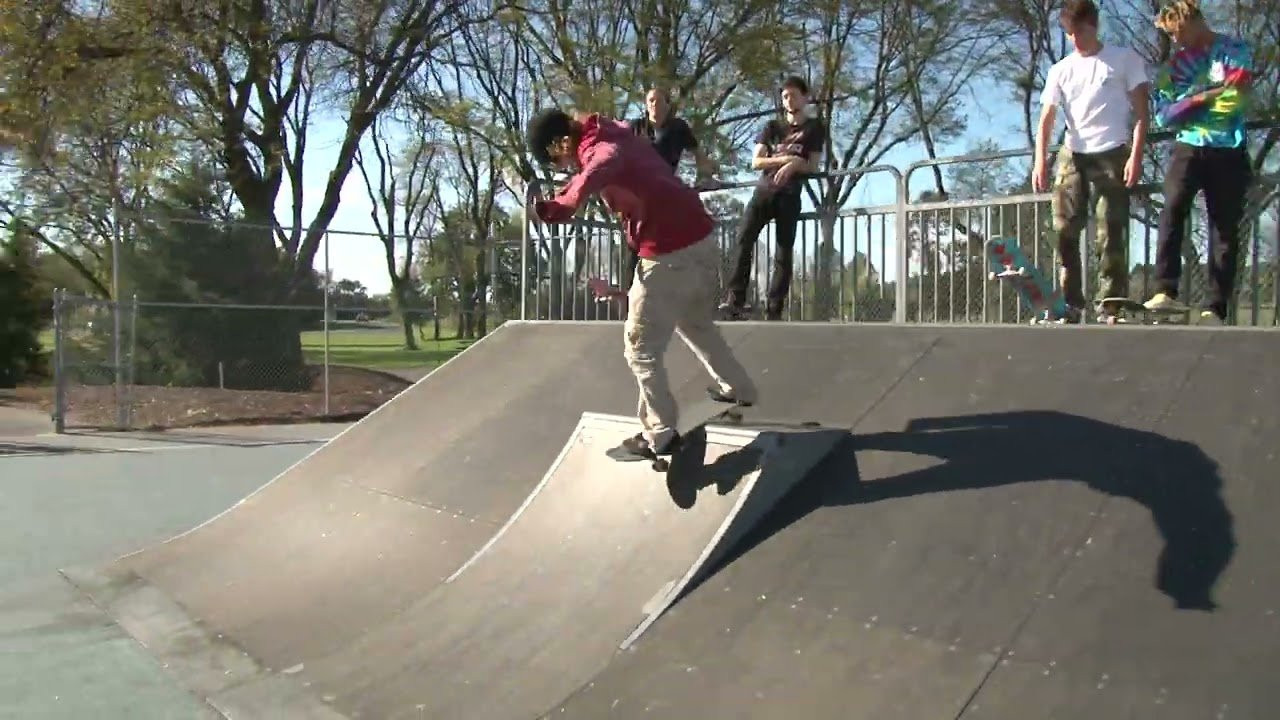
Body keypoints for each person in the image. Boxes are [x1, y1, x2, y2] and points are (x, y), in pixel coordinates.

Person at [525, 108, 757, 459]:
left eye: (556, 160)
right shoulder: (613, 130)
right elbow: (603, 163)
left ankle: (659, 434)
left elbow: (603, 161)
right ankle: (739, 387)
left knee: (640, 349)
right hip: (702, 242)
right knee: (695, 324)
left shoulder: (599, 149)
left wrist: (563, 204)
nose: (562, 167)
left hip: (668, 252)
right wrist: (571, 185)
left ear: (561, 142)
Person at [1032, 0, 1150, 322]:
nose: (1075, 40)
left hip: (1112, 150)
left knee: (1109, 229)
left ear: (1093, 26)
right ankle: (1071, 303)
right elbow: (1046, 118)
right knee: (1063, 229)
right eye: (1069, 34)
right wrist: (1040, 161)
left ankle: (1111, 304)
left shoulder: (1123, 59)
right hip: (1073, 152)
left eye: (1079, 32)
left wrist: (1136, 155)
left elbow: (1142, 112)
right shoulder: (1061, 69)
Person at [1145, 0, 1254, 324]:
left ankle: (1216, 307)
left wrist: (1190, 104)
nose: (1176, 41)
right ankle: (1166, 290)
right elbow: (1164, 114)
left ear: (1193, 21)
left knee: (1223, 227)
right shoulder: (1175, 67)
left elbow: (1235, 100)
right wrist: (1206, 95)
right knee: (1172, 207)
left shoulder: (1234, 49)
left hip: (1228, 147)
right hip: (1188, 146)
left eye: (1178, 33)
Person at [721, 76, 824, 321]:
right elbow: (757, 161)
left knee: (783, 252)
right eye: (785, 96)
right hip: (764, 191)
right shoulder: (772, 127)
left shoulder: (814, 128)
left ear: (805, 97)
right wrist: (786, 160)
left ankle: (774, 309)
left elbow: (812, 165)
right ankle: (735, 300)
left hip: (789, 195)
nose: (789, 100)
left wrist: (797, 165)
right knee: (744, 239)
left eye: (794, 95)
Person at [622, 87, 720, 292]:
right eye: (650, 101)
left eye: (658, 101)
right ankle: (630, 293)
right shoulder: (636, 127)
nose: (654, 105)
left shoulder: (678, 127)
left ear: (667, 105)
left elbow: (698, 155)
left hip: (664, 191)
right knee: (635, 243)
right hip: (639, 192)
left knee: (664, 242)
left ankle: (667, 292)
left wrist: (708, 174)